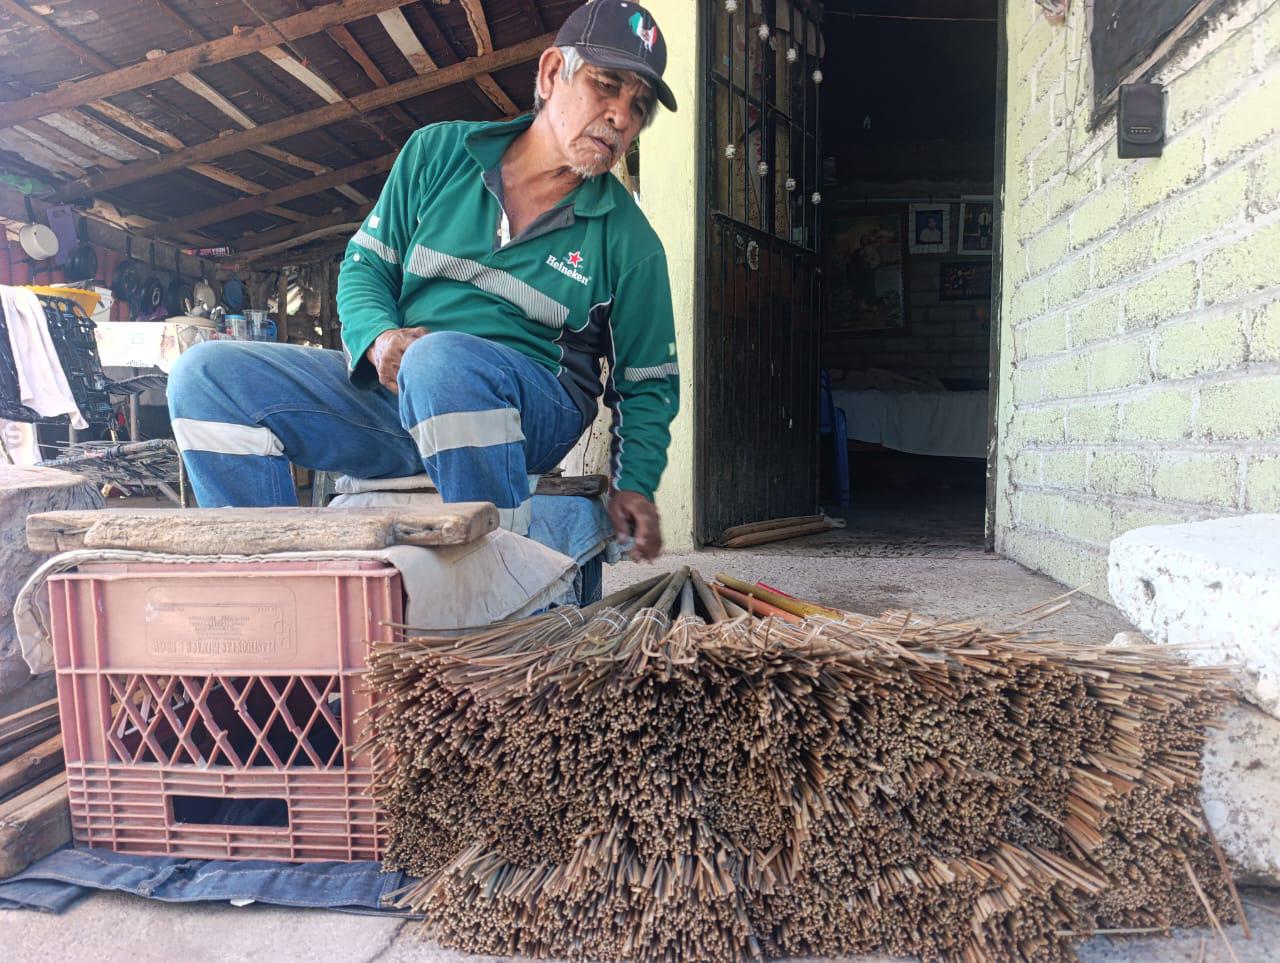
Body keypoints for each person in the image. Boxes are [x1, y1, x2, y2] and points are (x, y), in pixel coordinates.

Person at [167, 0, 679, 560]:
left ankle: (496, 571)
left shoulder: (630, 241)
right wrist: (380, 339)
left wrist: (636, 484)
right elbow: (365, 270)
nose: (622, 116)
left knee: (443, 362)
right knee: (205, 376)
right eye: (607, 85)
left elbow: (647, 382)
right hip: (400, 398)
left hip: (529, 408)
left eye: (639, 105)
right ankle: (268, 582)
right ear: (553, 72)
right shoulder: (439, 154)